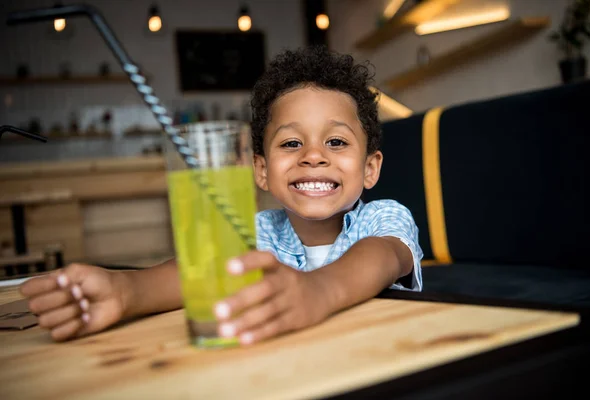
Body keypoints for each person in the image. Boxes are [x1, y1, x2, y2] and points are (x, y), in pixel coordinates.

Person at [19, 46, 423, 344]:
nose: (313, 156)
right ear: (261, 171)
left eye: (336, 142)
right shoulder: (258, 233)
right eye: (290, 144)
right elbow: (194, 274)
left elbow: (382, 257)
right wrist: (126, 292)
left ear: (370, 168)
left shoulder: (383, 219)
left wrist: (317, 292)